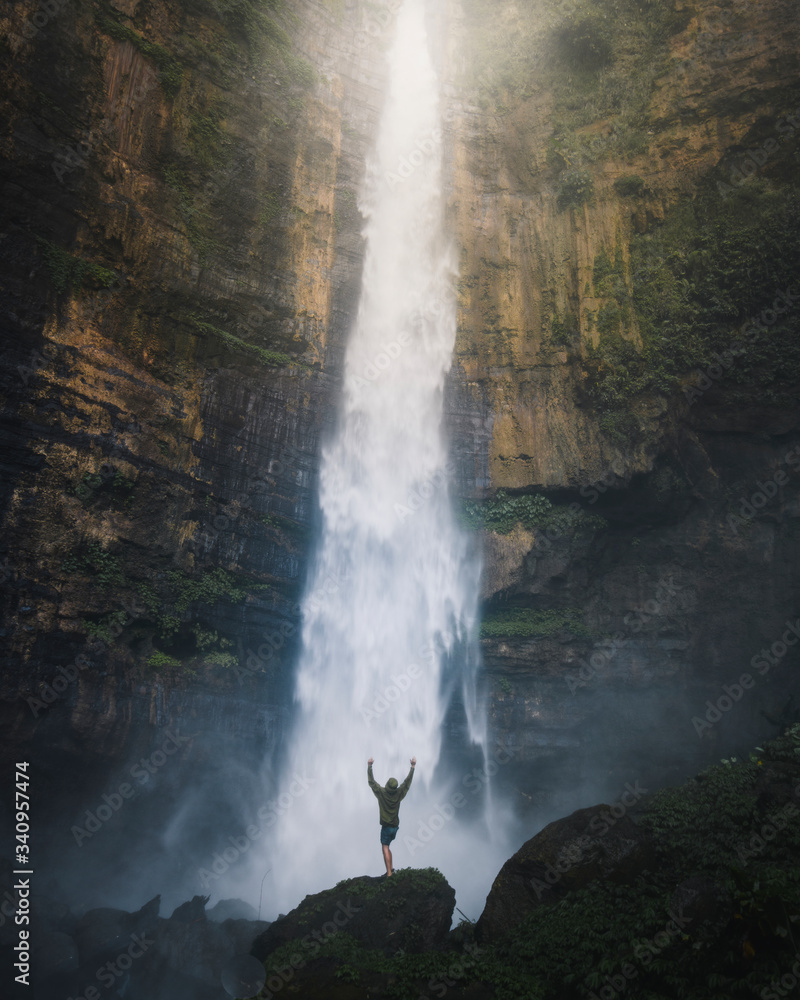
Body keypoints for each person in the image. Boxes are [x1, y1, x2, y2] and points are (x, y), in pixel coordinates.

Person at [367, 755, 416, 877]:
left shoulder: (381, 793)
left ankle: (389, 874)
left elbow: (372, 782)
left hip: (386, 827)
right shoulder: (399, 793)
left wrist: (369, 766)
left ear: (387, 785)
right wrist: (413, 767)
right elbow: (407, 783)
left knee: (384, 848)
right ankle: (391, 869)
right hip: (395, 826)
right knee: (388, 847)